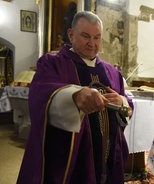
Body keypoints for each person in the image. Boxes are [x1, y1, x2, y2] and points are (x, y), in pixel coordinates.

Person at [17, 11, 134, 184]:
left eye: (97, 37)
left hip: (107, 154)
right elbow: (40, 95)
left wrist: (121, 102)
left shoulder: (112, 73)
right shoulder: (52, 63)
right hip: (71, 158)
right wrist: (74, 95)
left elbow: (127, 104)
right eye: (86, 36)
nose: (92, 44)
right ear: (71, 35)